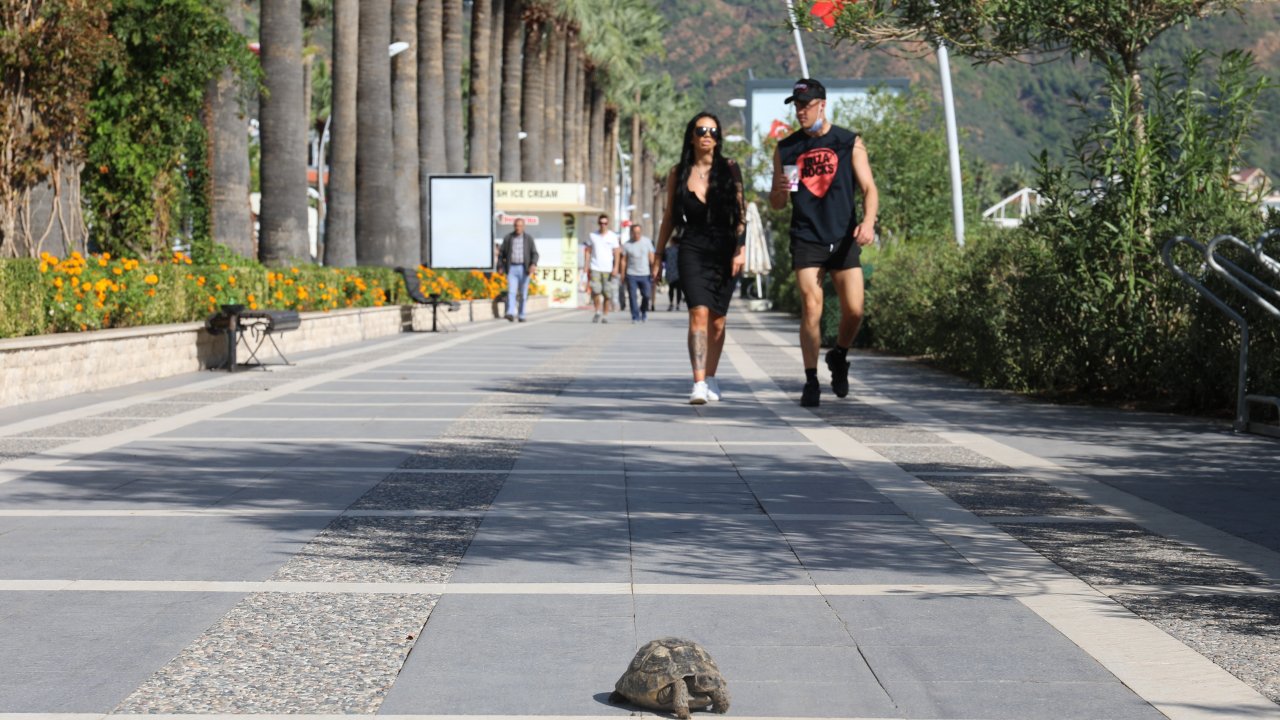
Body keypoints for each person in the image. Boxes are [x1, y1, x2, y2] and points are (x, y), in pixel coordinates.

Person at [769, 78, 879, 408]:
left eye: (806, 105)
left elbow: (869, 189)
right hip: (807, 237)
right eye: (797, 106)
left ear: (823, 104)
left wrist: (868, 222)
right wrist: (778, 188)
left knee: (855, 310)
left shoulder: (848, 142)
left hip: (843, 237)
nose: (801, 112)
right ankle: (811, 380)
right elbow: (779, 203)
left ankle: (839, 356)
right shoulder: (788, 149)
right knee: (811, 306)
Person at [652, 112, 746, 405]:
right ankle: (699, 382)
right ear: (691, 135)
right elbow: (668, 217)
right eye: (701, 130)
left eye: (713, 132)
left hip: (725, 248)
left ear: (718, 139)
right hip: (692, 247)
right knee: (698, 314)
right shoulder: (677, 172)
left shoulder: (730, 169)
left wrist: (740, 249)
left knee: (718, 321)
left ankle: (713, 376)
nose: (707, 135)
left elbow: (741, 214)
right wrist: (657, 254)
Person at [498, 218, 538, 322]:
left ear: (523, 227)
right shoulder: (508, 238)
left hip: (524, 269)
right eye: (516, 225)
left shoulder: (528, 239)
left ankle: (521, 315)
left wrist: (533, 264)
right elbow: (501, 254)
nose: (518, 228)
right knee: (511, 292)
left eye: (520, 226)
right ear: (514, 226)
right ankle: (510, 313)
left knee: (523, 294)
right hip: (512, 268)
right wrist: (500, 266)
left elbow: (535, 253)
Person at [585, 213, 621, 323]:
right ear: (598, 223)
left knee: (607, 293)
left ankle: (605, 315)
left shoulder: (613, 236)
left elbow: (617, 253)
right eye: (601, 223)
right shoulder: (593, 235)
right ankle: (597, 312)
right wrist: (586, 265)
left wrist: (616, 267)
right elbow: (588, 251)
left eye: (605, 223)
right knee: (596, 291)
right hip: (595, 267)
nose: (603, 225)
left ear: (608, 223)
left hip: (608, 269)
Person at [620, 223, 656, 323]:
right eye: (634, 233)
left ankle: (643, 311)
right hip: (631, 274)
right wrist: (622, 274)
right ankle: (635, 316)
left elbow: (651, 257)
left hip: (645, 273)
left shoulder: (647, 242)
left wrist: (654, 270)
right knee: (632, 296)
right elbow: (623, 260)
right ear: (631, 233)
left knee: (647, 295)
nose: (637, 235)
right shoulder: (627, 244)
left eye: (638, 233)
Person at [663, 242, 683, 311]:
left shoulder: (668, 250)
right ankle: (678, 304)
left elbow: (663, 260)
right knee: (679, 290)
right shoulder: (681, 250)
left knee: (671, 289)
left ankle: (671, 303)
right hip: (679, 273)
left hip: (670, 273)